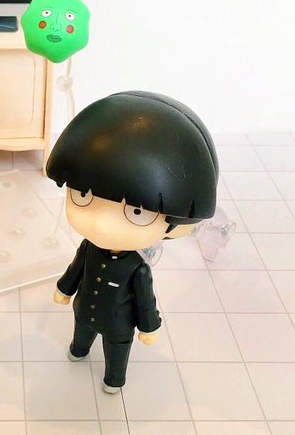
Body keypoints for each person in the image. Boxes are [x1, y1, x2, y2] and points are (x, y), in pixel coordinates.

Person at [46, 90, 219, 394]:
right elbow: (76, 270)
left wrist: (149, 326)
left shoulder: (137, 268)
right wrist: (64, 289)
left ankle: (114, 378)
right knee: (81, 335)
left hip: (118, 325)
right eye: (83, 195)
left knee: (116, 352)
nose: (101, 224)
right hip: (84, 310)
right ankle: (78, 348)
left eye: (136, 212)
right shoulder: (88, 248)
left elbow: (145, 299)